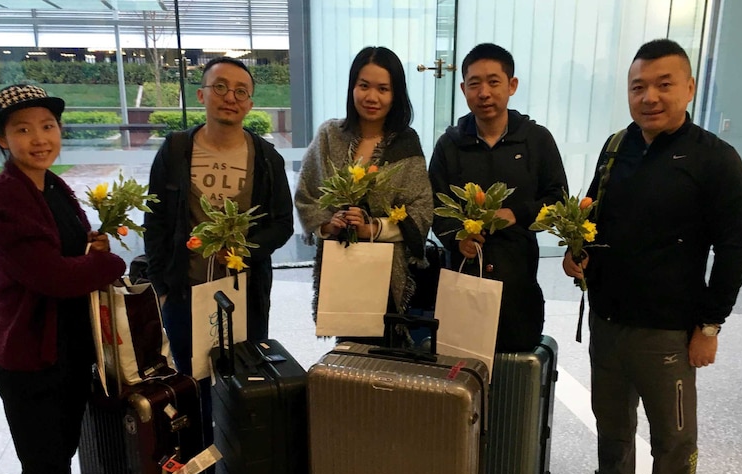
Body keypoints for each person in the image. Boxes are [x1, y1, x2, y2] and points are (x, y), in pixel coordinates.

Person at [562, 39, 742, 474]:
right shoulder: (615, 148)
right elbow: (595, 218)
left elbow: (733, 252)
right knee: (612, 432)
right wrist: (579, 257)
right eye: (638, 87)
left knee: (673, 441)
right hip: (606, 324)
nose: (649, 97)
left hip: (668, 333)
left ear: (688, 88)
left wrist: (709, 326)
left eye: (663, 85)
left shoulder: (716, 160)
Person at [0, 84, 126, 474]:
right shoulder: (0, 195)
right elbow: (52, 276)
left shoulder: (54, 186)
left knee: (62, 452)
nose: (40, 139)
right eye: (23, 130)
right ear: (0, 139)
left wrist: (94, 248)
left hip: (69, 350)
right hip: (31, 357)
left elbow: (71, 254)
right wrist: (110, 263)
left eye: (48, 125)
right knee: (45, 468)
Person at [144, 56, 294, 374]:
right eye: (221, 87)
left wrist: (244, 251)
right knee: (190, 378)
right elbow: (155, 220)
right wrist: (162, 287)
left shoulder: (266, 159)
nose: (230, 97)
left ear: (250, 104)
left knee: (242, 384)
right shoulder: (175, 151)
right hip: (185, 292)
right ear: (202, 95)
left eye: (241, 91)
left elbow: (282, 224)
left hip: (245, 295)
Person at [429, 43, 568, 352]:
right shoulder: (449, 144)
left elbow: (558, 199)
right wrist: (456, 240)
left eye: (494, 82)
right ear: (464, 88)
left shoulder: (536, 139)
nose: (484, 92)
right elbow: (435, 206)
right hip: (464, 282)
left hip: (517, 287)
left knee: (515, 380)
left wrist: (517, 213)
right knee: (460, 376)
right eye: (475, 83)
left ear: (512, 85)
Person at [294, 46, 433, 342]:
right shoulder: (329, 135)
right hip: (340, 271)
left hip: (387, 274)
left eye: (383, 88)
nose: (372, 97)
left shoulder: (405, 142)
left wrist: (373, 228)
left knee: (386, 357)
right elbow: (307, 195)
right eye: (364, 85)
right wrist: (330, 225)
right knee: (347, 359)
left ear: (396, 94)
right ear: (352, 87)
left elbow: (422, 210)